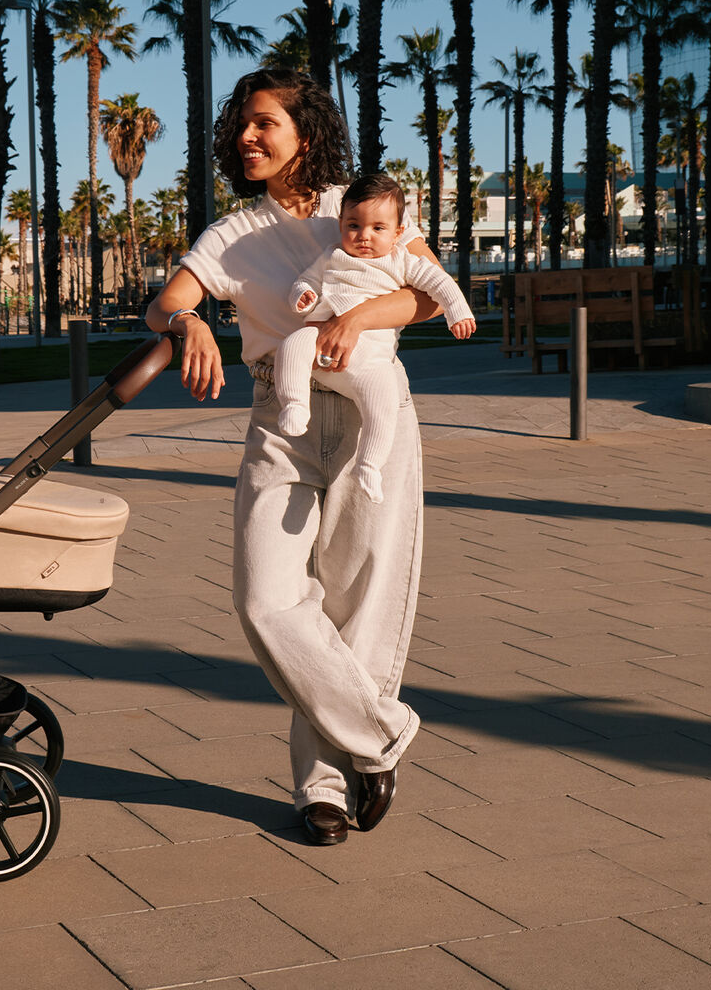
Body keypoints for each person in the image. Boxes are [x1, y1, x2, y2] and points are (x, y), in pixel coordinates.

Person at [143, 70, 448, 847]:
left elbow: (425, 291)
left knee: (359, 601)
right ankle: (382, 736)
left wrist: (357, 319)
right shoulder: (233, 234)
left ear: (303, 133)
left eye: (264, 123)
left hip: (372, 411)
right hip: (281, 413)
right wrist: (190, 327)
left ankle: (325, 790)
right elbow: (166, 301)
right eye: (242, 124)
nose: (248, 136)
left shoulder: (364, 208)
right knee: (266, 598)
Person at [274, 171, 475, 502]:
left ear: (397, 233)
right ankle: (295, 404)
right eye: (354, 225)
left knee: (384, 401)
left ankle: (369, 464)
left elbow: (439, 283)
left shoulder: (402, 261)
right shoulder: (331, 256)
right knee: (291, 346)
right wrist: (303, 295)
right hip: (319, 341)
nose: (363, 236)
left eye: (377, 228)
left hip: (371, 358)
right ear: (341, 224)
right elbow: (306, 281)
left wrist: (459, 311)